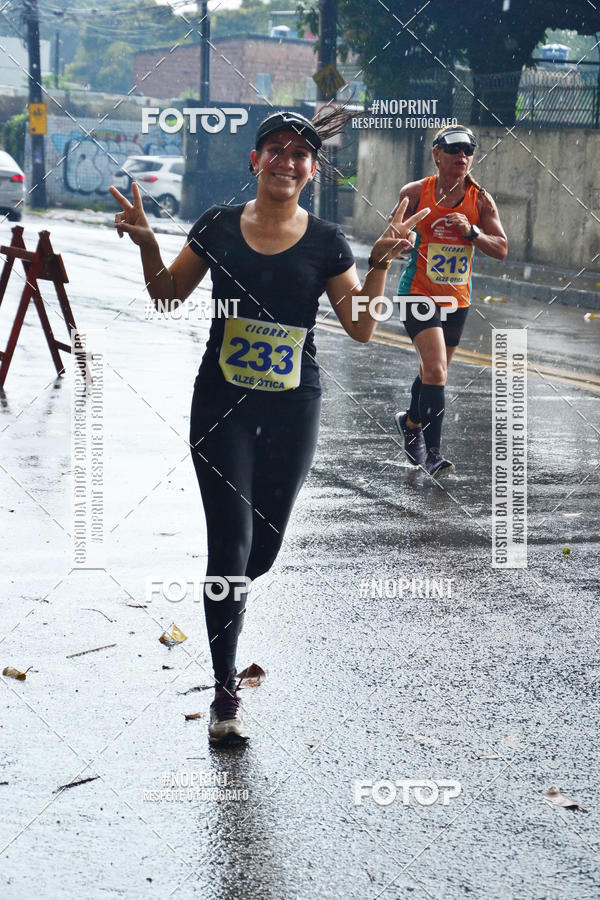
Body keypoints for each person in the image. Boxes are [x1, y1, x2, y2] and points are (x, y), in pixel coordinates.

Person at [110, 110, 430, 746]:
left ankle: (227, 602)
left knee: (262, 551)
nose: (287, 161)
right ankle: (224, 691)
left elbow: (362, 327)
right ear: (254, 161)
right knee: (228, 549)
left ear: (313, 172)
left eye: (300, 154)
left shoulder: (327, 242)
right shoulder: (218, 227)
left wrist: (381, 264)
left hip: (293, 406)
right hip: (221, 404)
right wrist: (148, 241)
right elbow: (168, 294)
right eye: (275, 150)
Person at [393, 124, 508, 478]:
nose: (462, 156)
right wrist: (402, 242)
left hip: (456, 299)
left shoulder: (480, 199)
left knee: (432, 372)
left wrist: (472, 232)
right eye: (454, 149)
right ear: (436, 154)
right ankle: (434, 454)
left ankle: (411, 422)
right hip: (417, 293)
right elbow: (394, 233)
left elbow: (501, 248)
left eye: (469, 150)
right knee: (437, 371)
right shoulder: (415, 193)